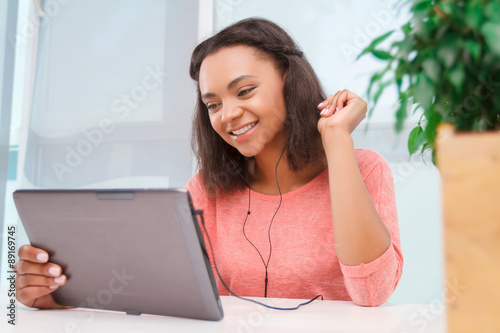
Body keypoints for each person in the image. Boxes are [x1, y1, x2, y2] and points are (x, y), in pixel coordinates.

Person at [14, 18, 403, 308]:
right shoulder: (206, 190)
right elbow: (170, 296)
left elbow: (372, 293)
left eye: (245, 90)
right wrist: (61, 294)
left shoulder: (365, 169)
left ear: (289, 80)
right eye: (213, 104)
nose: (227, 114)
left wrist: (335, 139)